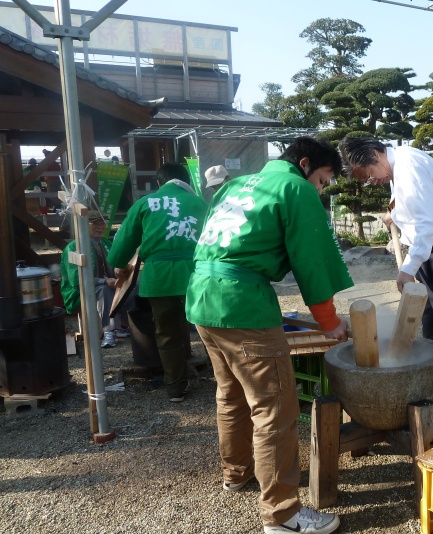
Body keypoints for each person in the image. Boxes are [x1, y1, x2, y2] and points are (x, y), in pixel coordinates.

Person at [185, 137, 351, 534]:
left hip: (203, 298)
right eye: (323, 180)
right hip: (243, 305)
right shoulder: (294, 187)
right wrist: (329, 321)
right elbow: (312, 259)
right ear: (305, 164)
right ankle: (282, 514)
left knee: (230, 394)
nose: (321, 189)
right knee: (274, 409)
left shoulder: (235, 184)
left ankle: (236, 472)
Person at [338, 136, 433, 427]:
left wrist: (407, 269)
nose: (372, 182)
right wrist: (394, 215)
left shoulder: (409, 166)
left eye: (368, 175)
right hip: (432, 257)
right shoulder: (396, 168)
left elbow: (427, 225)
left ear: (376, 154)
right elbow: (415, 208)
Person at [107, 162, 208, 402]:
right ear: (187, 182)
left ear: (159, 183)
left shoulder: (145, 203)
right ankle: (226, 383)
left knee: (167, 334)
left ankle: (175, 388)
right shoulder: (201, 204)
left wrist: (119, 264)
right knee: (210, 329)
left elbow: (119, 250)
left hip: (159, 278)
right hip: (197, 275)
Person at [60, 210, 131, 348]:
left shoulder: (105, 243)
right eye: (95, 224)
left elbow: (117, 263)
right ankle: (109, 331)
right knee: (104, 290)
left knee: (133, 287)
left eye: (102, 223)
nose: (100, 227)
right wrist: (105, 281)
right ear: (84, 225)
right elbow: (77, 281)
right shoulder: (73, 247)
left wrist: (121, 272)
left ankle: (127, 325)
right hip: (79, 292)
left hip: (108, 284)